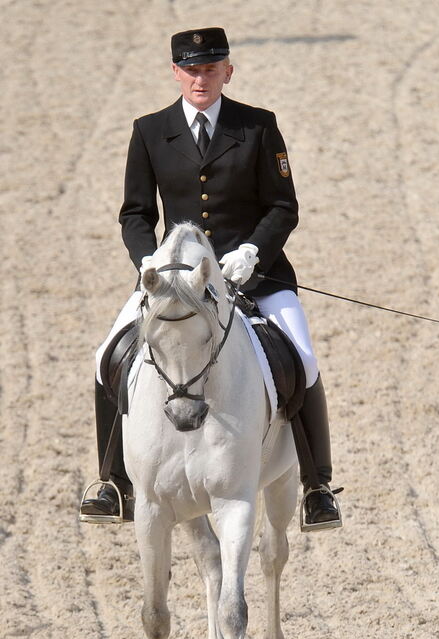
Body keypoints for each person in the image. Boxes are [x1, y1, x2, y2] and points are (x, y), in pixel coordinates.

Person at [80, 27, 341, 530]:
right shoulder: (150, 130)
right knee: (106, 354)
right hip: (173, 280)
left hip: (255, 276)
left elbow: (283, 207)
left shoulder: (259, 127)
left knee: (303, 359)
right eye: (192, 69)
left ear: (228, 71)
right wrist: (147, 263)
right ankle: (113, 482)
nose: (201, 78)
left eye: (211, 68)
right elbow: (134, 214)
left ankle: (317, 486)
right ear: (176, 72)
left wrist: (252, 252)